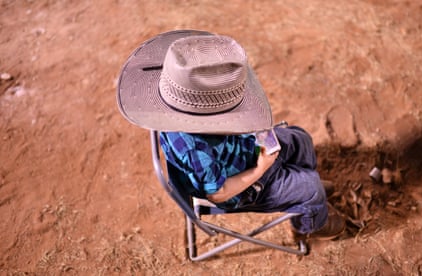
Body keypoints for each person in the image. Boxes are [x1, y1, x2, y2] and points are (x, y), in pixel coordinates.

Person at [117, 30, 345, 241]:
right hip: (242, 186)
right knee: (311, 189)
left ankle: (301, 182)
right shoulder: (196, 151)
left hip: (241, 150)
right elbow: (218, 194)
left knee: (300, 139)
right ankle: (312, 221)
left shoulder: (178, 99)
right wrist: (261, 168)